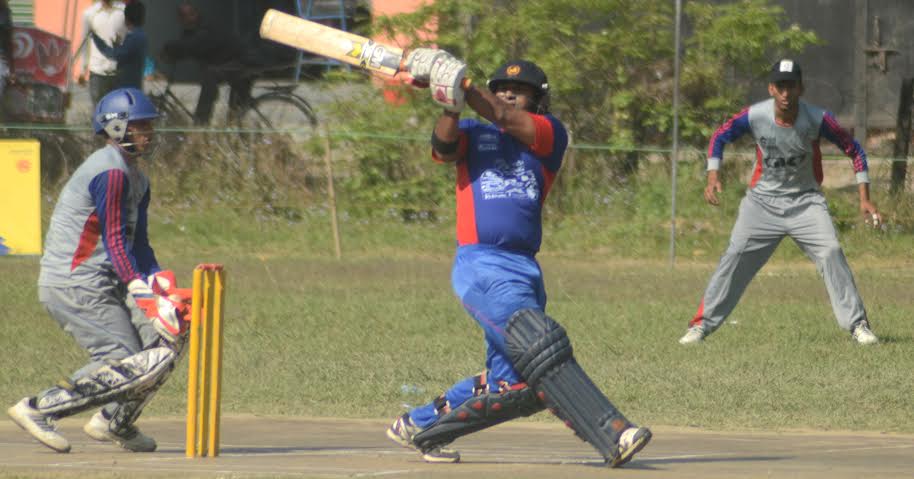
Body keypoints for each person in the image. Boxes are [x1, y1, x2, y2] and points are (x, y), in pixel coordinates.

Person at [384, 52, 652, 467]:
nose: (509, 94)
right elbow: (442, 147)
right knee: (540, 346)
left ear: (538, 100)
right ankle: (613, 433)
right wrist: (450, 105)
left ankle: (418, 425)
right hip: (481, 264)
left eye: (520, 91)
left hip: (524, 268)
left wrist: (464, 83)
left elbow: (505, 117)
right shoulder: (474, 131)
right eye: (502, 89)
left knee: (517, 383)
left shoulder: (549, 135)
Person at [6, 88, 190, 453]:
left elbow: (139, 244)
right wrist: (141, 292)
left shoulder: (138, 178)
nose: (149, 133)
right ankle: (38, 408)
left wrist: (159, 285)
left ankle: (113, 421)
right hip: (74, 281)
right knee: (121, 358)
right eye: (140, 125)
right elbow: (114, 240)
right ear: (117, 127)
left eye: (150, 125)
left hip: (108, 279)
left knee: (167, 340)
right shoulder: (109, 171)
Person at [678, 59, 882, 346]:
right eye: (781, 86)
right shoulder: (755, 116)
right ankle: (700, 326)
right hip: (762, 203)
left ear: (801, 88)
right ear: (771, 88)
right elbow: (720, 136)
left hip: (806, 203)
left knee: (831, 252)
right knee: (735, 256)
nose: (786, 93)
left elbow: (855, 150)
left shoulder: (818, 118)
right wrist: (713, 175)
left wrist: (865, 199)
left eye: (791, 86)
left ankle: (858, 325)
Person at [161, 3, 251, 125]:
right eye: (183, 16)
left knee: (212, 79)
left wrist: (169, 48)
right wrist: (172, 55)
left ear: (196, 14)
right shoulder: (190, 32)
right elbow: (186, 48)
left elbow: (194, 45)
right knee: (233, 112)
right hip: (228, 64)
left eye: (190, 14)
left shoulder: (206, 28)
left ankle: (201, 124)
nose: (188, 18)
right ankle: (207, 124)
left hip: (242, 63)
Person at [91, 0, 147, 90]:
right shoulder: (141, 35)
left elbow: (115, 55)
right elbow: (127, 55)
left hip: (127, 86)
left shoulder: (133, 37)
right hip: (134, 85)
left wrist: (97, 41)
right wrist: (117, 46)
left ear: (127, 19)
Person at [79, 0, 126, 104]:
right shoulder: (89, 14)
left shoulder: (123, 11)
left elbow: (129, 39)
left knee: (116, 110)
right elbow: (85, 43)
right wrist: (82, 70)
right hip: (97, 72)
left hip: (118, 72)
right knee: (98, 110)